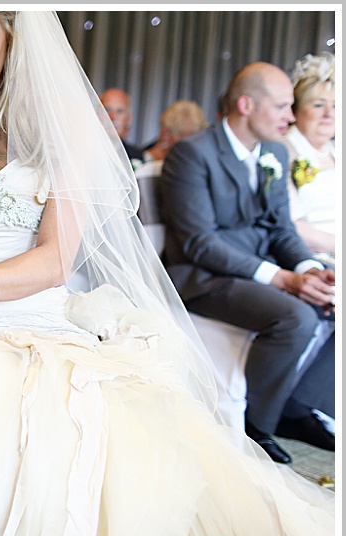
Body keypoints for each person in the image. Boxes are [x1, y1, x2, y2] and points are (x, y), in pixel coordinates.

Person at [0, 11, 335, 536]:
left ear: (13, 37)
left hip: (37, 317)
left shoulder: (60, 128)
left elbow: (55, 260)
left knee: (100, 441)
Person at [160, 61, 336, 465]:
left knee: (333, 299)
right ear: (246, 105)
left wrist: (309, 269)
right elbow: (199, 243)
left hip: (256, 269)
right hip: (202, 277)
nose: (290, 116)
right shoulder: (192, 154)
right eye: (282, 106)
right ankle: (255, 426)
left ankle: (295, 407)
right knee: (295, 317)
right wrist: (283, 278)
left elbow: (282, 229)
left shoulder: (274, 152)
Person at [282, 52, 336, 259]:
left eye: (335, 106)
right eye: (318, 105)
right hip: (311, 256)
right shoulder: (283, 151)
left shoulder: (334, 151)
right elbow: (287, 223)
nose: (328, 113)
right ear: (297, 110)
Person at [141, 100, 208, 165]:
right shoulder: (138, 164)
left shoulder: (198, 165)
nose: (194, 146)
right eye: (188, 140)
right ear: (166, 134)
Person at [99, 87, 144, 162]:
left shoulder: (136, 156)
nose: (112, 117)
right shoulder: (83, 150)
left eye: (119, 111)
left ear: (129, 118)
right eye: (107, 110)